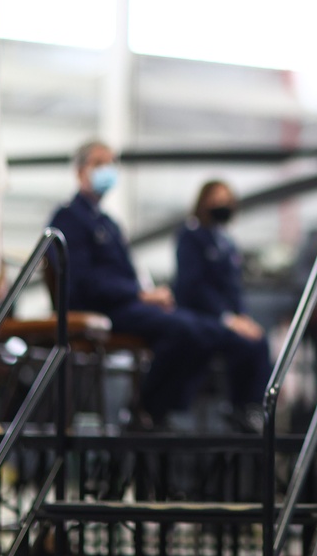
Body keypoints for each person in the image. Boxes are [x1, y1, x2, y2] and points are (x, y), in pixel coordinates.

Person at [47, 141, 271, 429]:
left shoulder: (109, 224)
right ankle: (146, 409)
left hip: (128, 305)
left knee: (203, 330)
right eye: (99, 163)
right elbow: (82, 279)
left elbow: (127, 273)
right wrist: (139, 294)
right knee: (187, 330)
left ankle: (160, 408)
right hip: (100, 308)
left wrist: (148, 295)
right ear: (80, 172)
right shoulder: (68, 218)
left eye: (111, 163)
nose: (107, 170)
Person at [171, 180, 272, 425]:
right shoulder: (190, 237)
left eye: (226, 199)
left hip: (229, 318)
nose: (221, 204)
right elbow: (193, 287)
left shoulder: (226, 243)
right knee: (244, 344)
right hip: (201, 317)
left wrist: (243, 317)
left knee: (259, 340)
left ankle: (252, 409)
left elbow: (234, 288)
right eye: (216, 199)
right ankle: (238, 408)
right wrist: (228, 319)